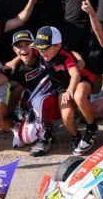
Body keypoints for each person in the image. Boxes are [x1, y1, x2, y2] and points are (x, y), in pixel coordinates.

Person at [31, 26, 97, 156]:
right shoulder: (40, 53)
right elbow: (25, 52)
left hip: (81, 79)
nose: (41, 51)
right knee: (66, 116)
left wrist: (71, 89)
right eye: (39, 47)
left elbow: (75, 75)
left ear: (57, 46)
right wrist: (13, 62)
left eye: (44, 48)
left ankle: (92, 129)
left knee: (78, 96)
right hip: (62, 86)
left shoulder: (64, 56)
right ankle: (75, 136)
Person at [4, 30, 58, 156]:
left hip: (57, 97)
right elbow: (0, 80)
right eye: (19, 46)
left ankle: (45, 138)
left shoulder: (43, 53)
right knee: (27, 138)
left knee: (38, 99)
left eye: (27, 44)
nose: (24, 49)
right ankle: (29, 123)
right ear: (14, 49)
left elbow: (65, 52)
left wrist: (79, 59)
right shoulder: (14, 69)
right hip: (37, 104)